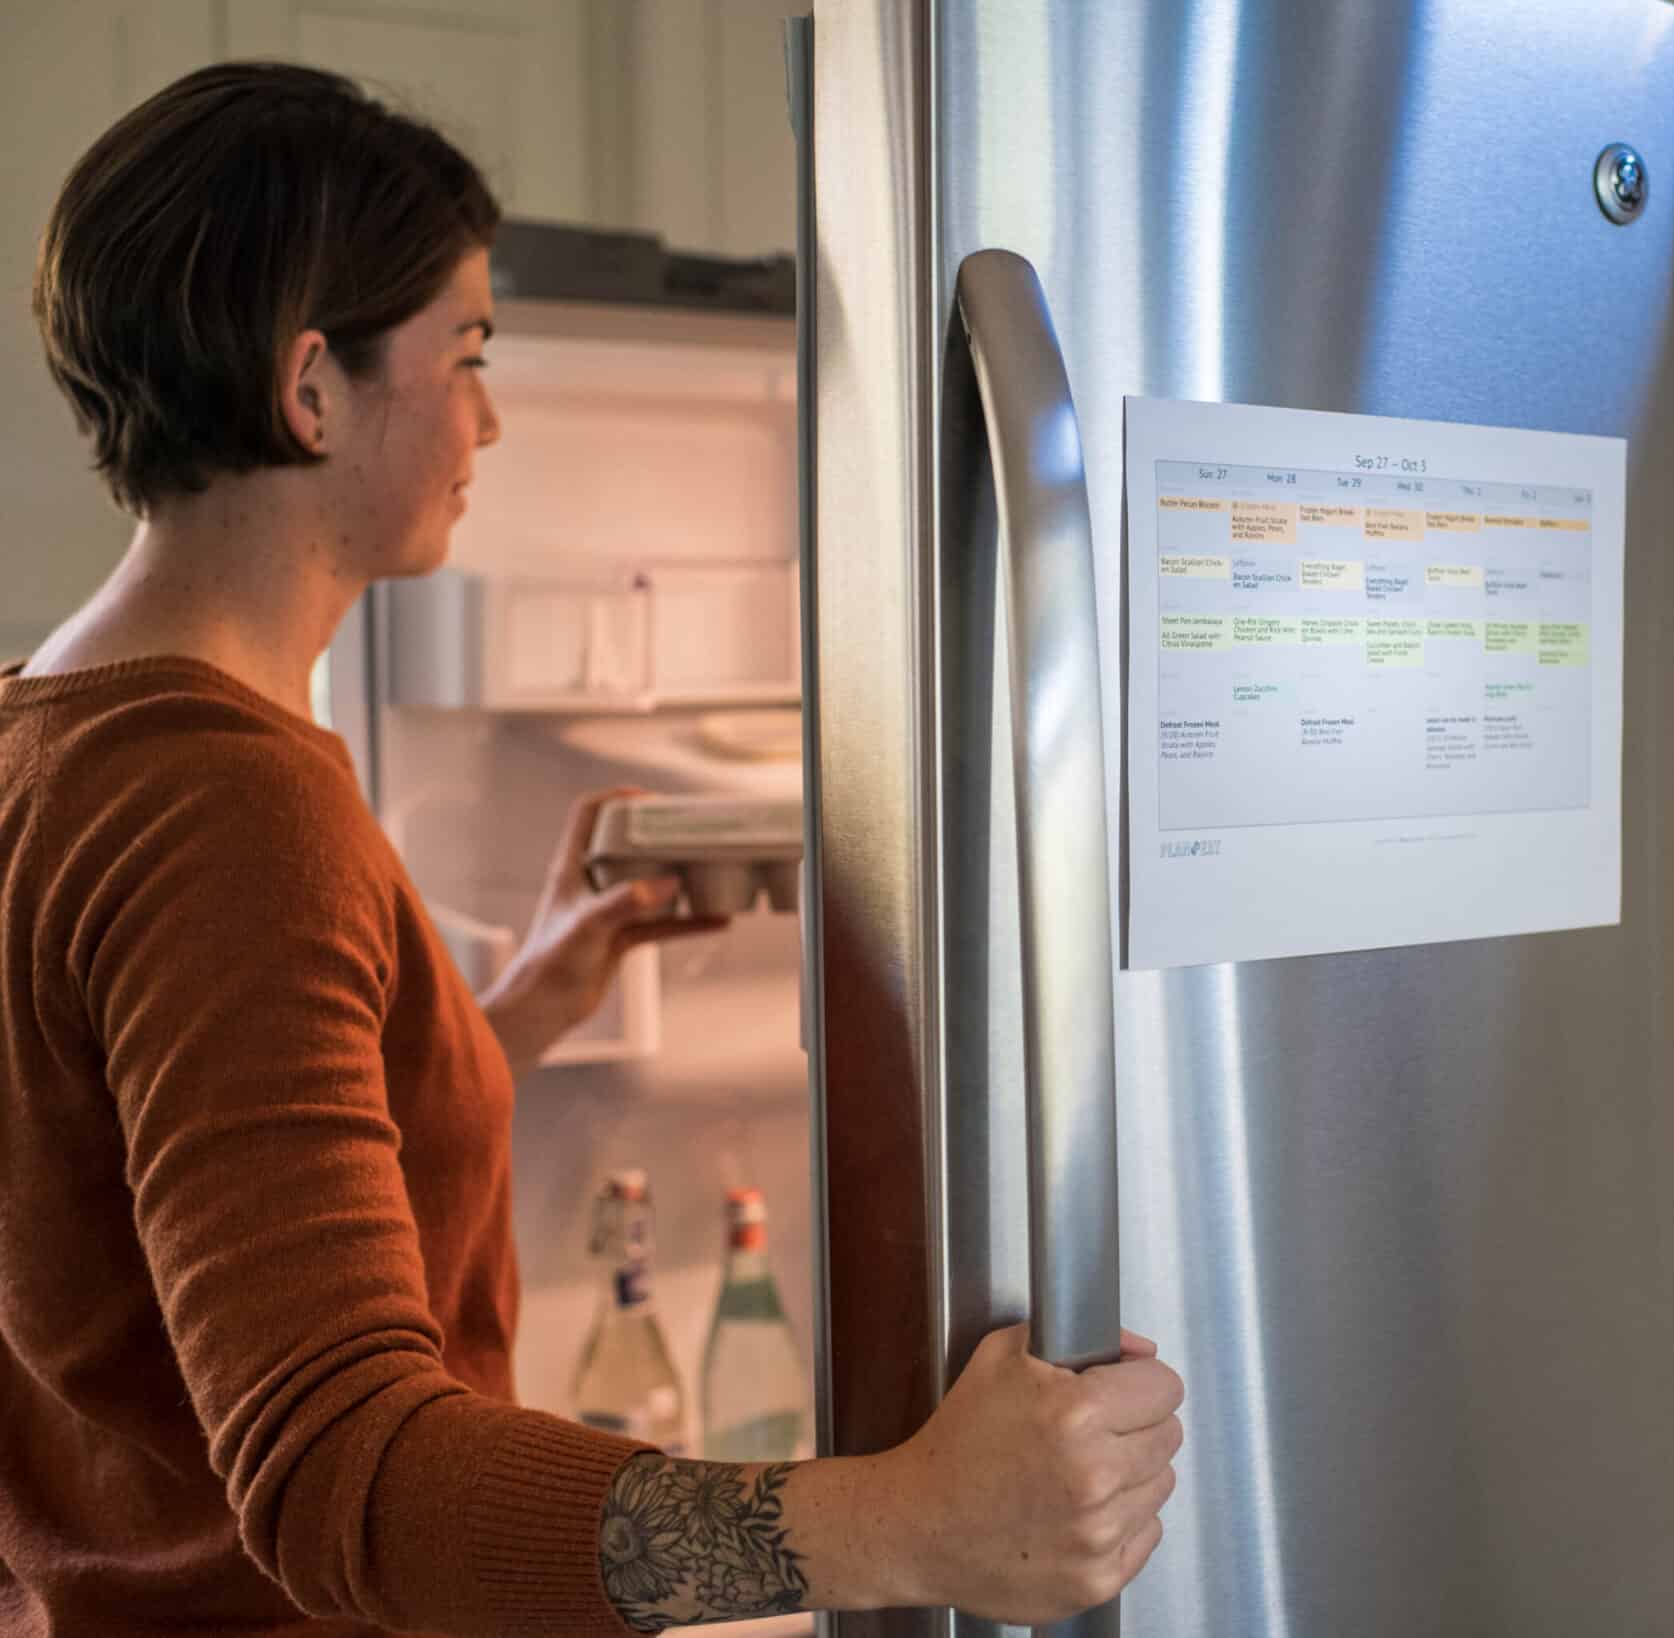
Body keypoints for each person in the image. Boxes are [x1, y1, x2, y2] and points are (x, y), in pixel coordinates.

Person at [0, 61, 1182, 1637]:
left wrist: (518, 1018)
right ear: (310, 390)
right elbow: (350, 1479)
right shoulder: (230, 806)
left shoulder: (43, 732)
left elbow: (133, 1223)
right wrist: (912, 1520)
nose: (489, 414)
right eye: (468, 352)